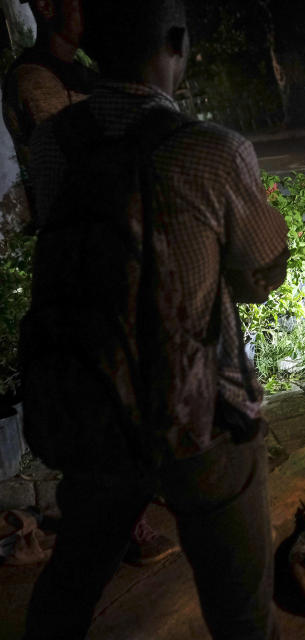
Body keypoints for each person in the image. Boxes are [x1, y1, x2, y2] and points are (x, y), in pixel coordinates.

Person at [22, 0, 289, 638]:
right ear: (176, 41)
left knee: (71, 586)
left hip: (95, 407)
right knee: (242, 610)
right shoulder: (212, 150)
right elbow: (263, 274)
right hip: (197, 419)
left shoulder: (53, 143)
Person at [1, 0, 177, 567]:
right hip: (80, 257)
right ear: (47, 8)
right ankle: (120, 525)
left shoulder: (85, 74)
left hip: (112, 250)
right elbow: (81, 156)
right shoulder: (34, 77)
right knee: (104, 398)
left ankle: (127, 504)